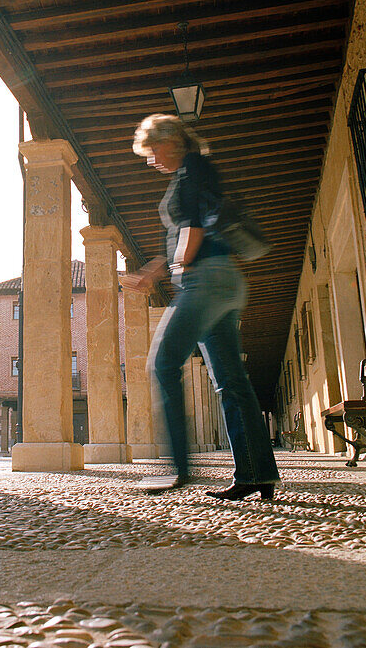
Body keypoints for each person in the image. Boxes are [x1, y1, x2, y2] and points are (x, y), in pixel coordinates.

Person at [122, 114, 280, 501]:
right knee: (231, 381)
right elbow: (188, 231)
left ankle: (176, 470)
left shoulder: (192, 169)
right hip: (225, 280)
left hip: (206, 282)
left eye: (153, 149)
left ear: (171, 141)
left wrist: (182, 263)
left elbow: (192, 227)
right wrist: (156, 271)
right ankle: (256, 473)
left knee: (162, 365)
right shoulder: (195, 172)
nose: (150, 158)